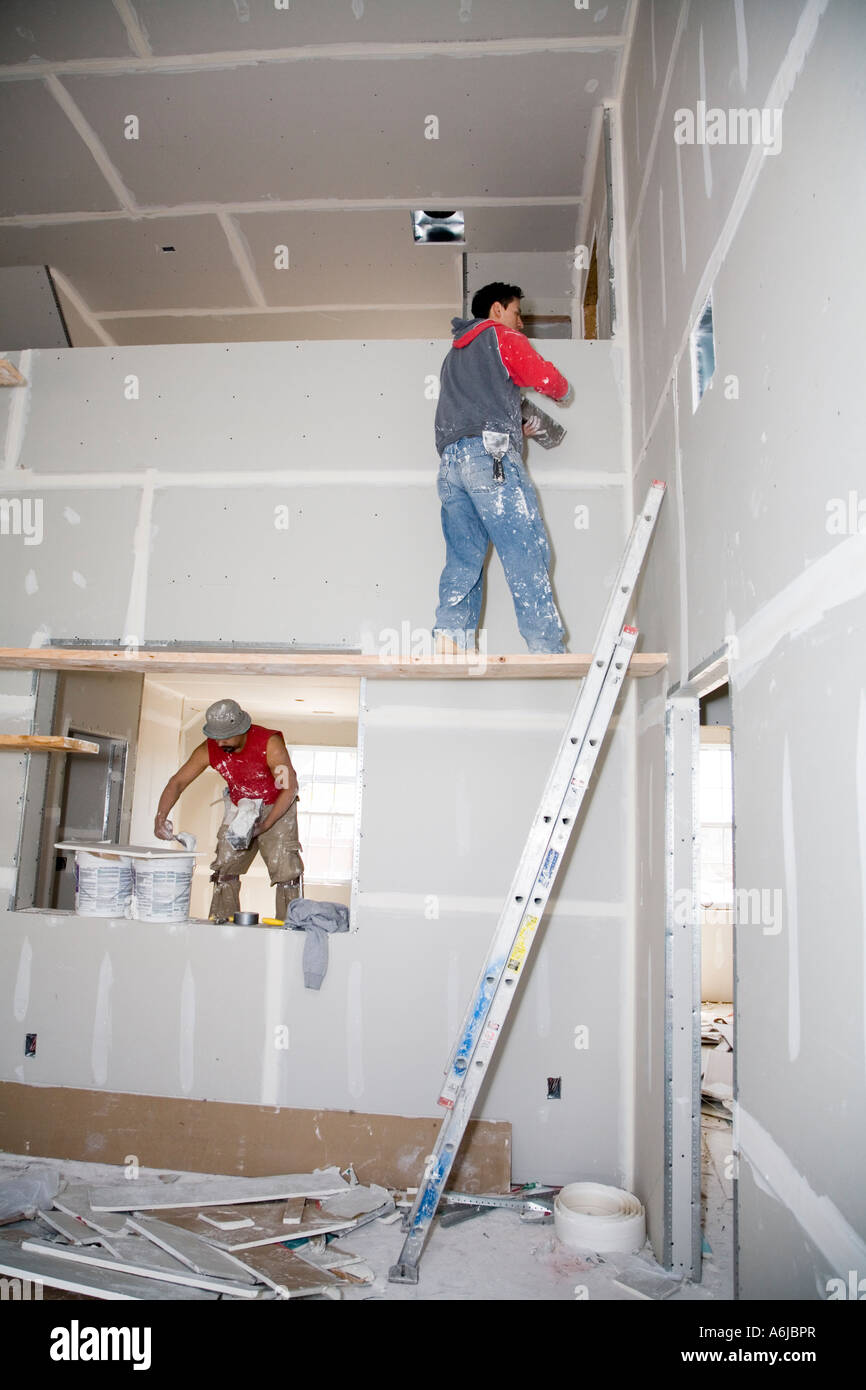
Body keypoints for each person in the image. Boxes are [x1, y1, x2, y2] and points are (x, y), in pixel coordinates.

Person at [433, 282, 572, 654]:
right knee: (525, 546)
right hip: (490, 456)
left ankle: (451, 637)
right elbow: (546, 381)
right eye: (517, 312)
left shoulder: (453, 357)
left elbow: (474, 407)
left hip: (450, 466)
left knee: (465, 555)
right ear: (497, 310)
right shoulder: (499, 336)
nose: (521, 323)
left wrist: (514, 423)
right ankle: (545, 645)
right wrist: (562, 387)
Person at [153, 698, 303, 923]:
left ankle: (292, 926)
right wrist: (160, 816)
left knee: (286, 871)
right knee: (224, 869)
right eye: (216, 738)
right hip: (241, 805)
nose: (221, 743)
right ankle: (223, 924)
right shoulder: (209, 749)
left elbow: (289, 788)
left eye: (226, 737)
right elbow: (177, 782)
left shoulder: (268, 743)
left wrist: (265, 825)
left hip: (276, 803)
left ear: (243, 729)